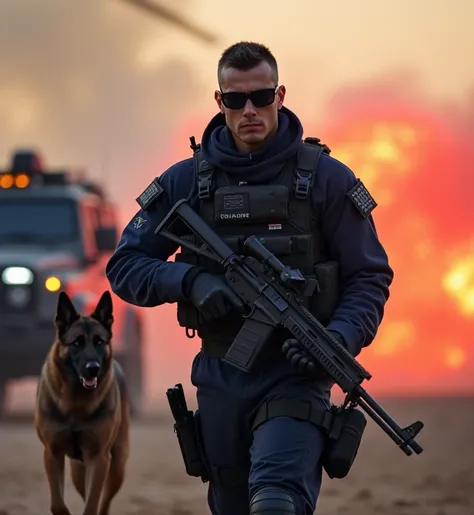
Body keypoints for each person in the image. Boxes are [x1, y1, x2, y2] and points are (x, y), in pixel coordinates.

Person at [105, 41, 394, 515]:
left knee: (277, 502)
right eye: (236, 100)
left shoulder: (327, 179)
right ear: (219, 102)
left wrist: (337, 338)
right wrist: (189, 281)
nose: (250, 110)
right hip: (222, 376)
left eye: (261, 97)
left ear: (281, 95)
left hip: (297, 375)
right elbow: (125, 265)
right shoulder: (184, 182)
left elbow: (369, 275)